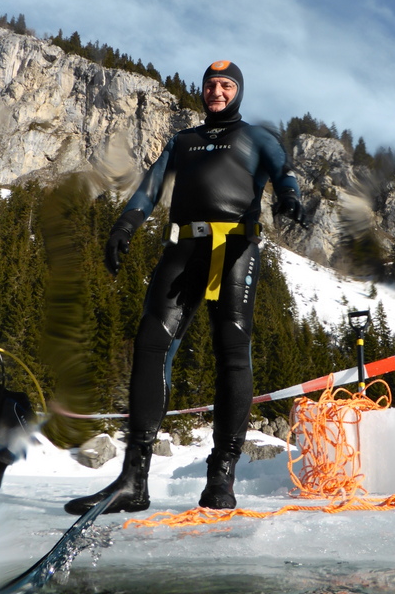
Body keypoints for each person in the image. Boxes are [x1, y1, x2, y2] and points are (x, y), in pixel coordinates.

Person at [65, 60, 308, 515]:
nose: (217, 91)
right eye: (211, 84)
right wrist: (124, 225)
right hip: (182, 250)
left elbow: (284, 173)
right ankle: (133, 480)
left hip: (235, 250)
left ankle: (221, 476)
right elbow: (151, 186)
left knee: (232, 348)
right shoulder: (184, 140)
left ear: (238, 91)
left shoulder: (257, 138)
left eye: (226, 85)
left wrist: (290, 197)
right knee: (151, 342)